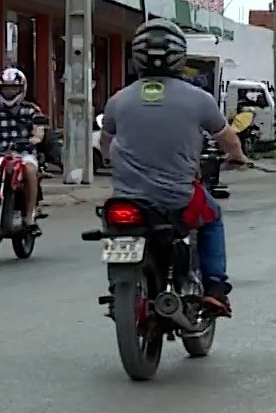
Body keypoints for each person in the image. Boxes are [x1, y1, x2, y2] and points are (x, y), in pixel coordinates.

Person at [99, 19, 246, 316]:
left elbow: (106, 145)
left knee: (113, 229)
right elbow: (228, 139)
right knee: (212, 216)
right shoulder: (199, 99)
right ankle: (215, 287)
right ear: (180, 55)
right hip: (177, 198)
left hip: (126, 199)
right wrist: (238, 156)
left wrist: (109, 160)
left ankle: (118, 287)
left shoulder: (117, 100)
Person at [0, 67, 45, 231]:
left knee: (30, 171)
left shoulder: (31, 110)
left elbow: (39, 130)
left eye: (13, 88)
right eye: (6, 88)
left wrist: (33, 139)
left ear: (21, 89)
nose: (10, 92)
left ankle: (29, 217)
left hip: (23, 154)